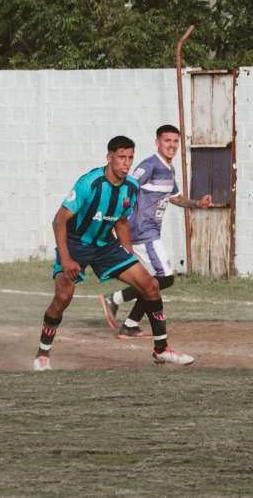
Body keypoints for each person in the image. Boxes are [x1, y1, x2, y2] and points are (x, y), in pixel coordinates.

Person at [33, 136, 195, 371]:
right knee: (62, 298)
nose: (126, 163)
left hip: (106, 245)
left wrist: (128, 253)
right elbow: (59, 221)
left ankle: (162, 350)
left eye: (130, 157)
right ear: (109, 158)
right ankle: (42, 353)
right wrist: (66, 258)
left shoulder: (131, 186)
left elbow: (120, 221)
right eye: (121, 157)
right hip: (75, 244)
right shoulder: (89, 183)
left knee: (150, 285)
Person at [99, 124, 215, 337]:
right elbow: (127, 185)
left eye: (175, 141)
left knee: (153, 281)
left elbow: (176, 198)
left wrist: (198, 203)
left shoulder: (169, 170)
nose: (171, 145)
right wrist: (117, 219)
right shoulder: (149, 165)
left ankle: (123, 313)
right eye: (166, 140)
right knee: (164, 278)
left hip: (150, 233)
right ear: (157, 143)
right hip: (143, 232)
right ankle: (123, 312)